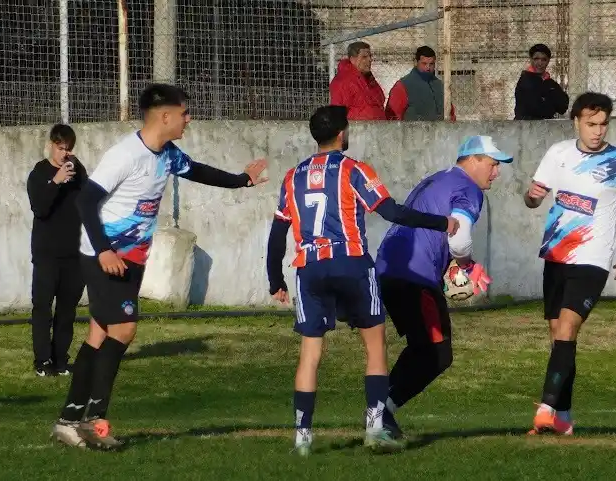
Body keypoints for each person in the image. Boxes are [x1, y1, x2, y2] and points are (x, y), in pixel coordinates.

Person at [49, 83, 269, 450]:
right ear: (164, 116)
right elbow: (86, 201)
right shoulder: (126, 154)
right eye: (184, 113)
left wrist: (241, 180)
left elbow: (196, 170)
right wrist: (104, 250)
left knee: (101, 334)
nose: (189, 119)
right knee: (124, 330)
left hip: (131, 258)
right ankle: (94, 421)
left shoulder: (166, 154)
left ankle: (69, 420)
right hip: (105, 257)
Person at [265, 105, 459, 456]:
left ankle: (302, 439)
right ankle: (373, 429)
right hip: (352, 263)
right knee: (374, 347)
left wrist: (274, 278)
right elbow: (391, 211)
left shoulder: (292, 177)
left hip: (309, 268)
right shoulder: (353, 170)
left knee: (310, 355)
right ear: (342, 133)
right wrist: (440, 223)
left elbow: (278, 232)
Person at [523, 92, 616, 435]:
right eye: (591, 124)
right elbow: (535, 196)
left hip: (592, 259)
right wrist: (532, 197)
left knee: (567, 329)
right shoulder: (558, 154)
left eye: (603, 124)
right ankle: (563, 417)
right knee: (558, 336)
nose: (598, 131)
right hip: (556, 255)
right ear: (576, 121)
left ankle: (546, 409)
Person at [373, 135, 511, 439]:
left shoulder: (438, 179)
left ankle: (381, 412)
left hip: (388, 267)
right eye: (492, 164)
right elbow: (459, 239)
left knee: (422, 347)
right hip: (414, 274)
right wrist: (466, 264)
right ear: (473, 160)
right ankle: (381, 413)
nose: (496, 172)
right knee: (438, 353)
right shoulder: (469, 189)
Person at [26, 123, 87, 377]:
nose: (65, 154)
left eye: (69, 149)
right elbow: (40, 208)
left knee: (67, 310)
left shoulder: (78, 171)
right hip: (46, 253)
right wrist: (56, 181)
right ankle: (43, 361)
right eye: (61, 148)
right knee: (42, 308)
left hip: (73, 252)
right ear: (52, 144)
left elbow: (89, 199)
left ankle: (61, 360)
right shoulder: (39, 173)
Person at [385, 46, 455, 121]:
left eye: (431, 64)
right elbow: (392, 116)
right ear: (415, 62)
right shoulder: (403, 85)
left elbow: (451, 113)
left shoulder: (440, 85)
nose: (428, 68)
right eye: (424, 64)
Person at [329, 41, 387, 121]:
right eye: (364, 57)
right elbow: (337, 113)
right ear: (353, 59)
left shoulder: (370, 80)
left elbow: (380, 102)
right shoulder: (342, 81)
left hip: (380, 129)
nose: (370, 60)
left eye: (370, 56)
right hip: (357, 131)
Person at [513, 43, 569, 120]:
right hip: (525, 127)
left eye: (544, 59)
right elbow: (535, 109)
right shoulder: (525, 80)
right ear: (531, 59)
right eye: (536, 59)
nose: (540, 63)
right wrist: (550, 99)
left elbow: (563, 107)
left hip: (544, 126)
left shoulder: (550, 83)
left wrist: (545, 99)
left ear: (548, 61)